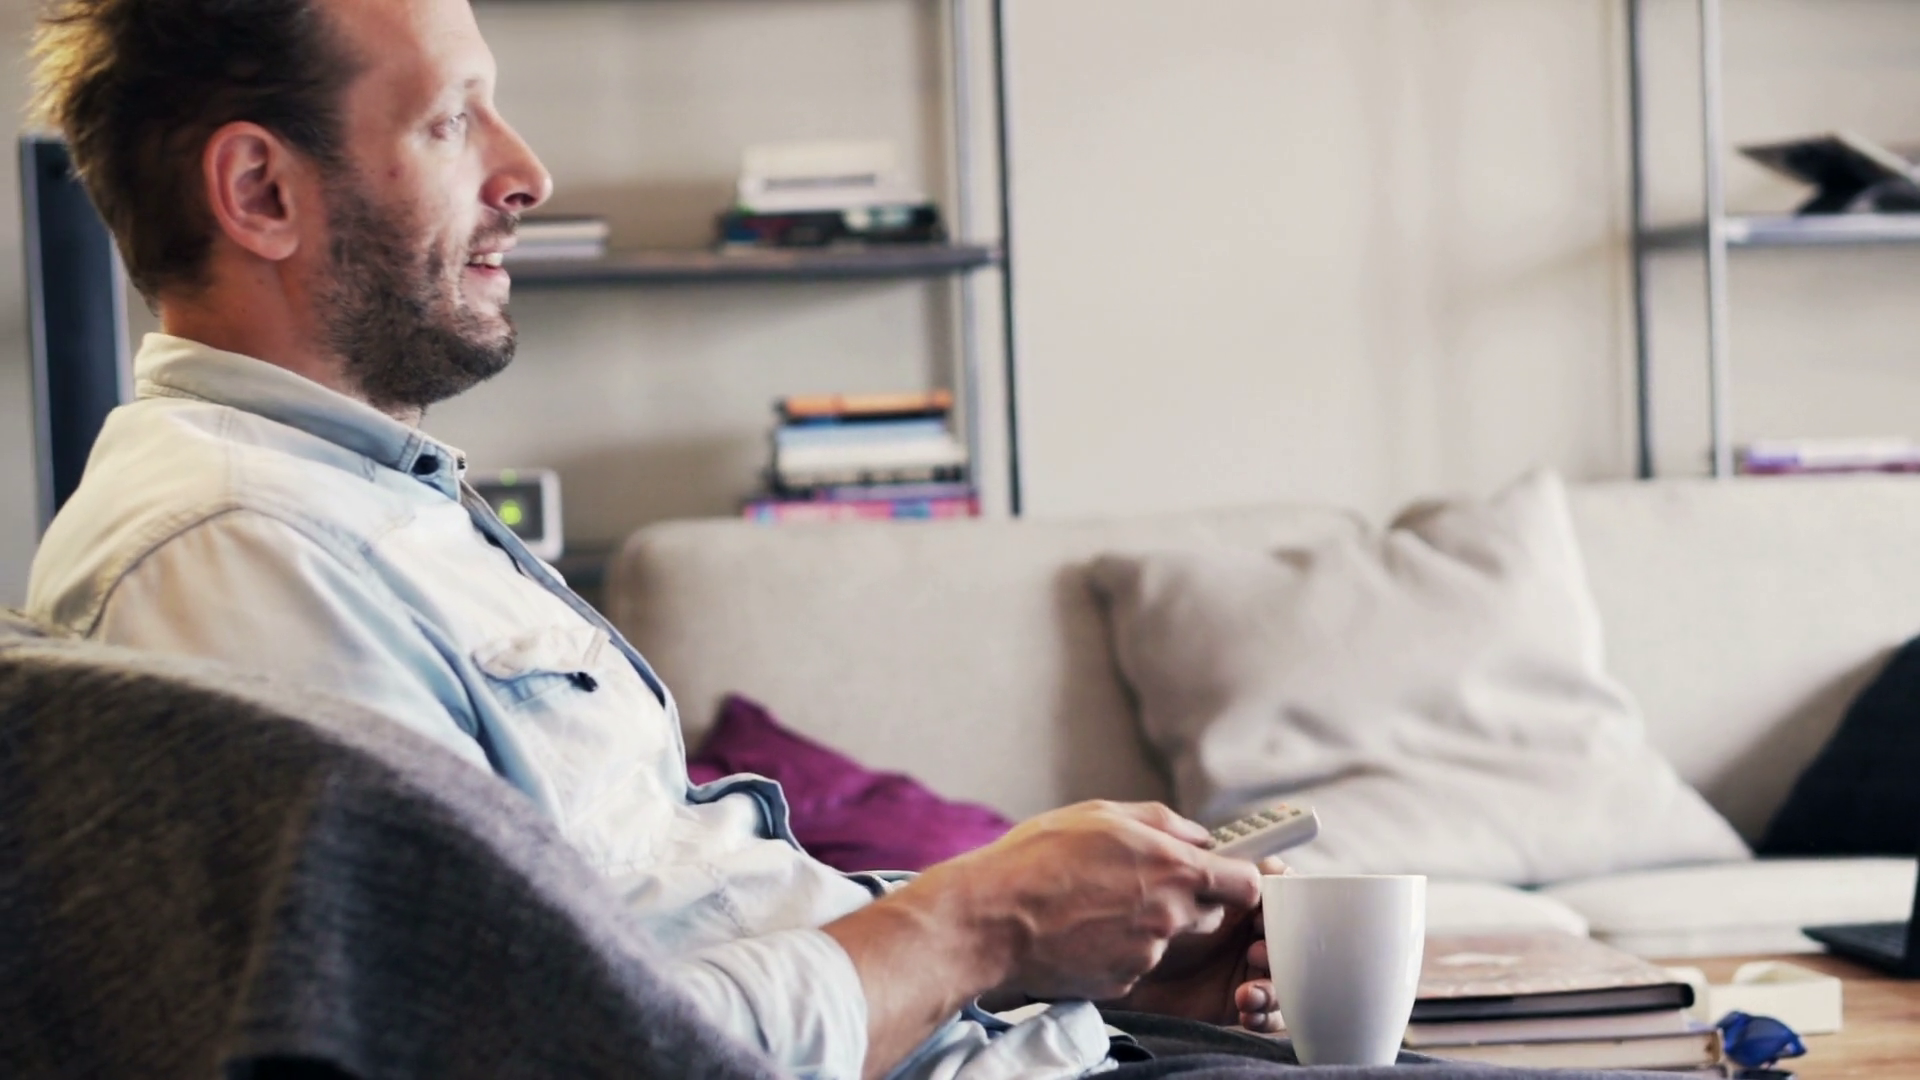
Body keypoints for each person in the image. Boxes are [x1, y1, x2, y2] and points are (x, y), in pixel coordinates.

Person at [24, 2, 1286, 1077]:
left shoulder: (358, 503)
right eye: (452, 121)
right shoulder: (243, 557)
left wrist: (1072, 964)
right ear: (261, 192)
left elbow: (663, 935)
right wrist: (980, 924)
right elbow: (537, 1052)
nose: (527, 172)